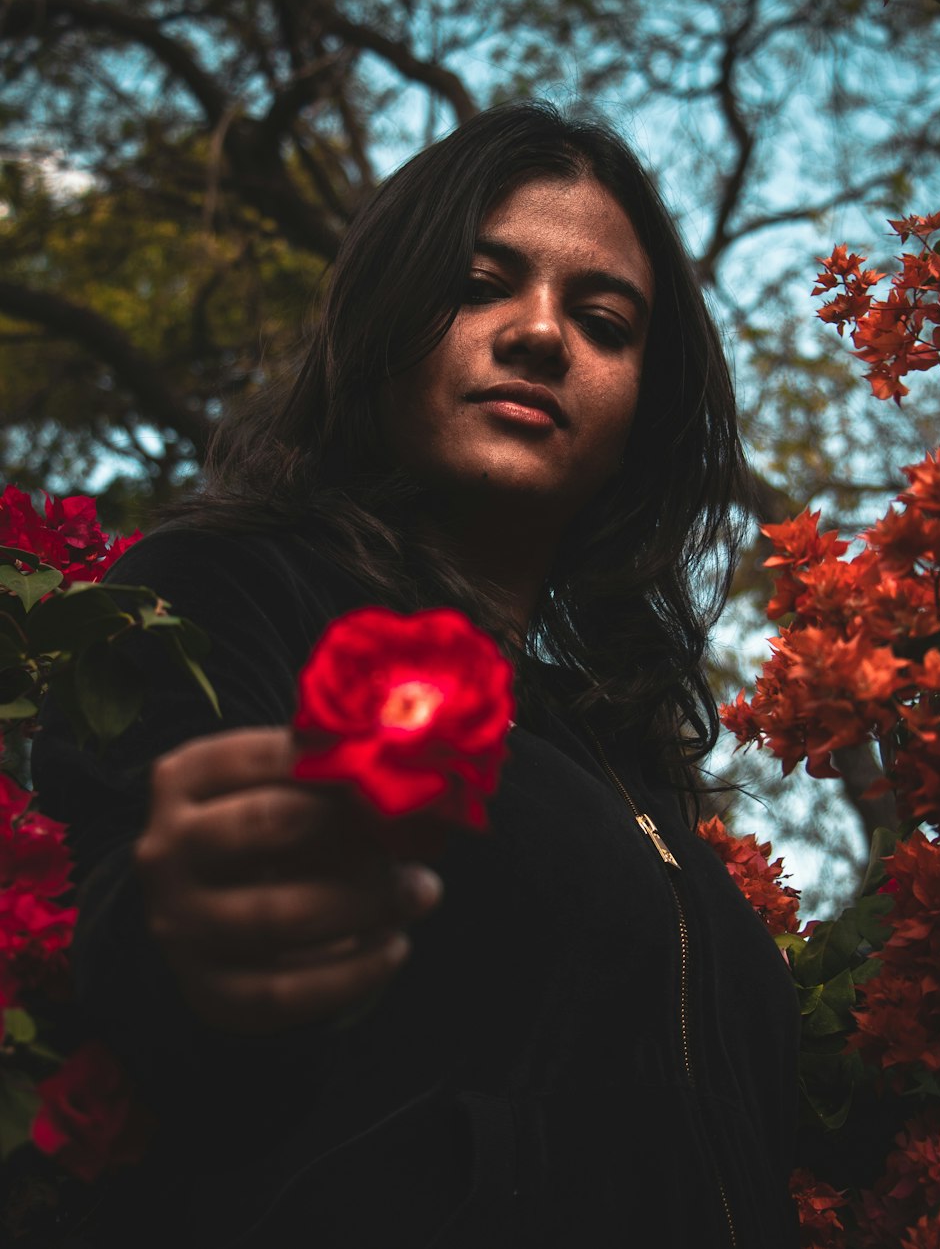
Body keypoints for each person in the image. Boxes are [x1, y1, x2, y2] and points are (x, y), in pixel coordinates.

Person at [34, 102, 801, 1248]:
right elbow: (135, 934)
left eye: (603, 319)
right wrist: (181, 916)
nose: (541, 333)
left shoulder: (610, 755)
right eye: (482, 282)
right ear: (388, 314)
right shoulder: (219, 585)